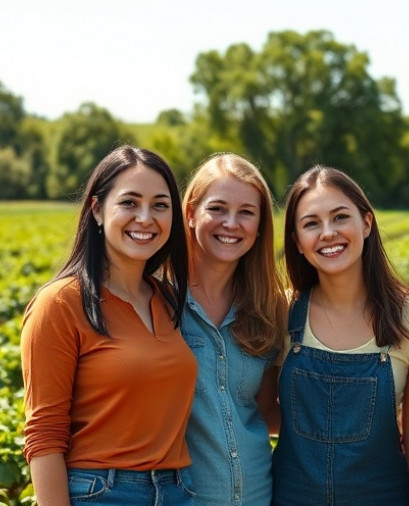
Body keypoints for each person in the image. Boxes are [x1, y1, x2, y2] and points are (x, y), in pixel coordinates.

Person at [20, 146, 196, 505]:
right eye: (129, 202)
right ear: (98, 210)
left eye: (161, 205)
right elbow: (44, 435)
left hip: (179, 490)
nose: (145, 217)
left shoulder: (168, 300)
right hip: (102, 493)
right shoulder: (60, 304)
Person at [272, 166, 409, 506]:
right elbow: (258, 410)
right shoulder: (280, 313)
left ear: (366, 223)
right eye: (311, 223)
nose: (328, 233)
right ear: (298, 243)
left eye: (340, 217)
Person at [181, 153, 287, 506]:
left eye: (246, 212)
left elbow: (263, 411)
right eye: (217, 209)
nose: (231, 223)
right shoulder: (157, 303)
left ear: (259, 227)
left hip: (258, 494)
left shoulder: (268, 308)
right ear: (190, 213)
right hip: (181, 496)